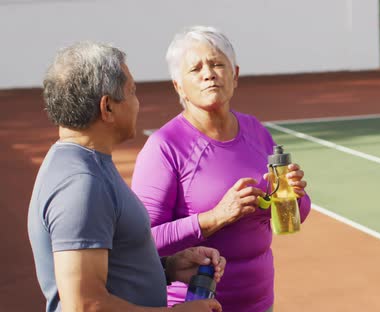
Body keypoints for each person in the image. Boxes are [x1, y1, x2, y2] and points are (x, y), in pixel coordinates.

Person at [27, 41, 226, 312]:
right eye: (132, 92)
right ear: (107, 107)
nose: (137, 102)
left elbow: (111, 266)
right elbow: (85, 305)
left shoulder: (84, 164)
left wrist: (167, 267)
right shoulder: (81, 183)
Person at [131, 26, 311, 312]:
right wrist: (215, 217)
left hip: (260, 303)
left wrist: (295, 195)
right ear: (179, 85)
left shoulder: (255, 131)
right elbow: (140, 240)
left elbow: (294, 215)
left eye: (217, 64)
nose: (209, 74)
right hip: (193, 305)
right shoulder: (164, 146)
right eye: (196, 68)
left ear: (235, 75)